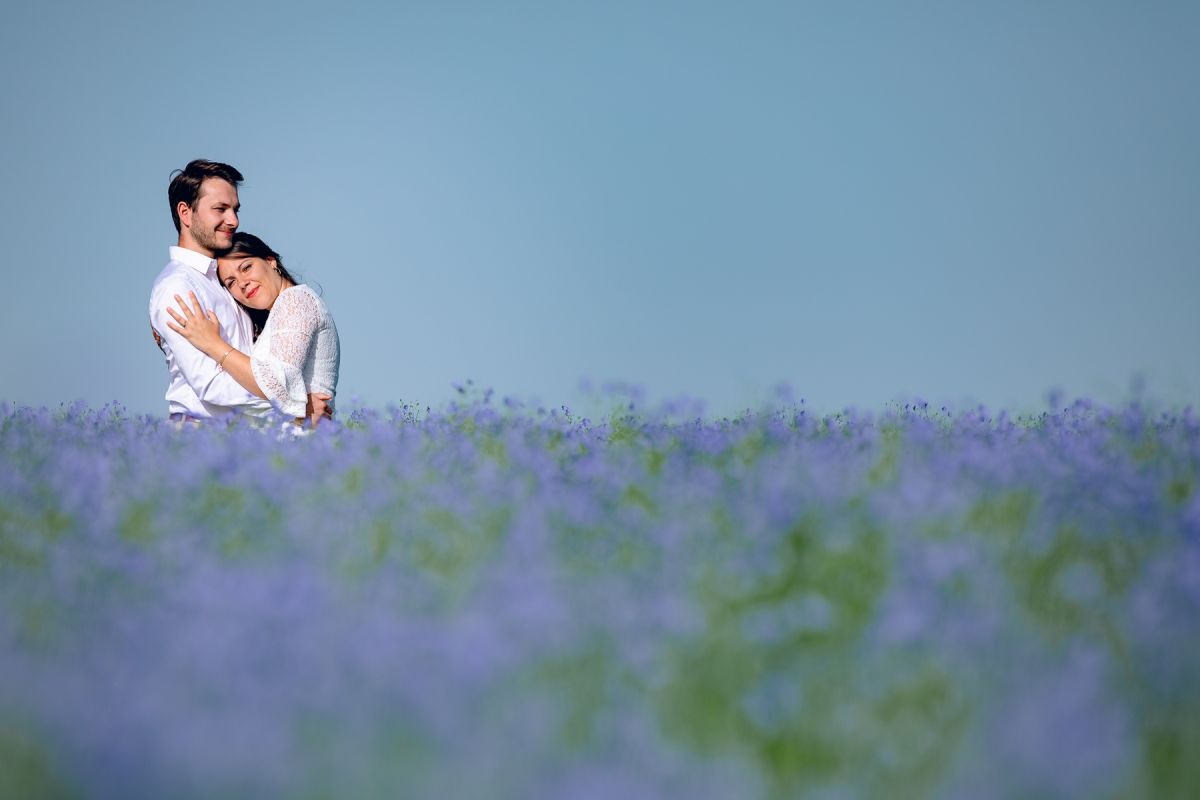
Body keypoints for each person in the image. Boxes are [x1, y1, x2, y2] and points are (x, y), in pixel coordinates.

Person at [148, 159, 329, 424]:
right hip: (204, 433)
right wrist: (294, 404)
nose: (233, 220)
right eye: (220, 209)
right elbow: (210, 384)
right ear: (185, 213)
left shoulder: (223, 278)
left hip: (247, 434)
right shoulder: (178, 286)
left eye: (235, 209)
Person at [165, 232, 340, 426]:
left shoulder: (295, 300)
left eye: (246, 267)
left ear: (271, 261)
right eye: (231, 282)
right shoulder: (275, 318)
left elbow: (276, 382)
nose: (242, 283)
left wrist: (213, 344)